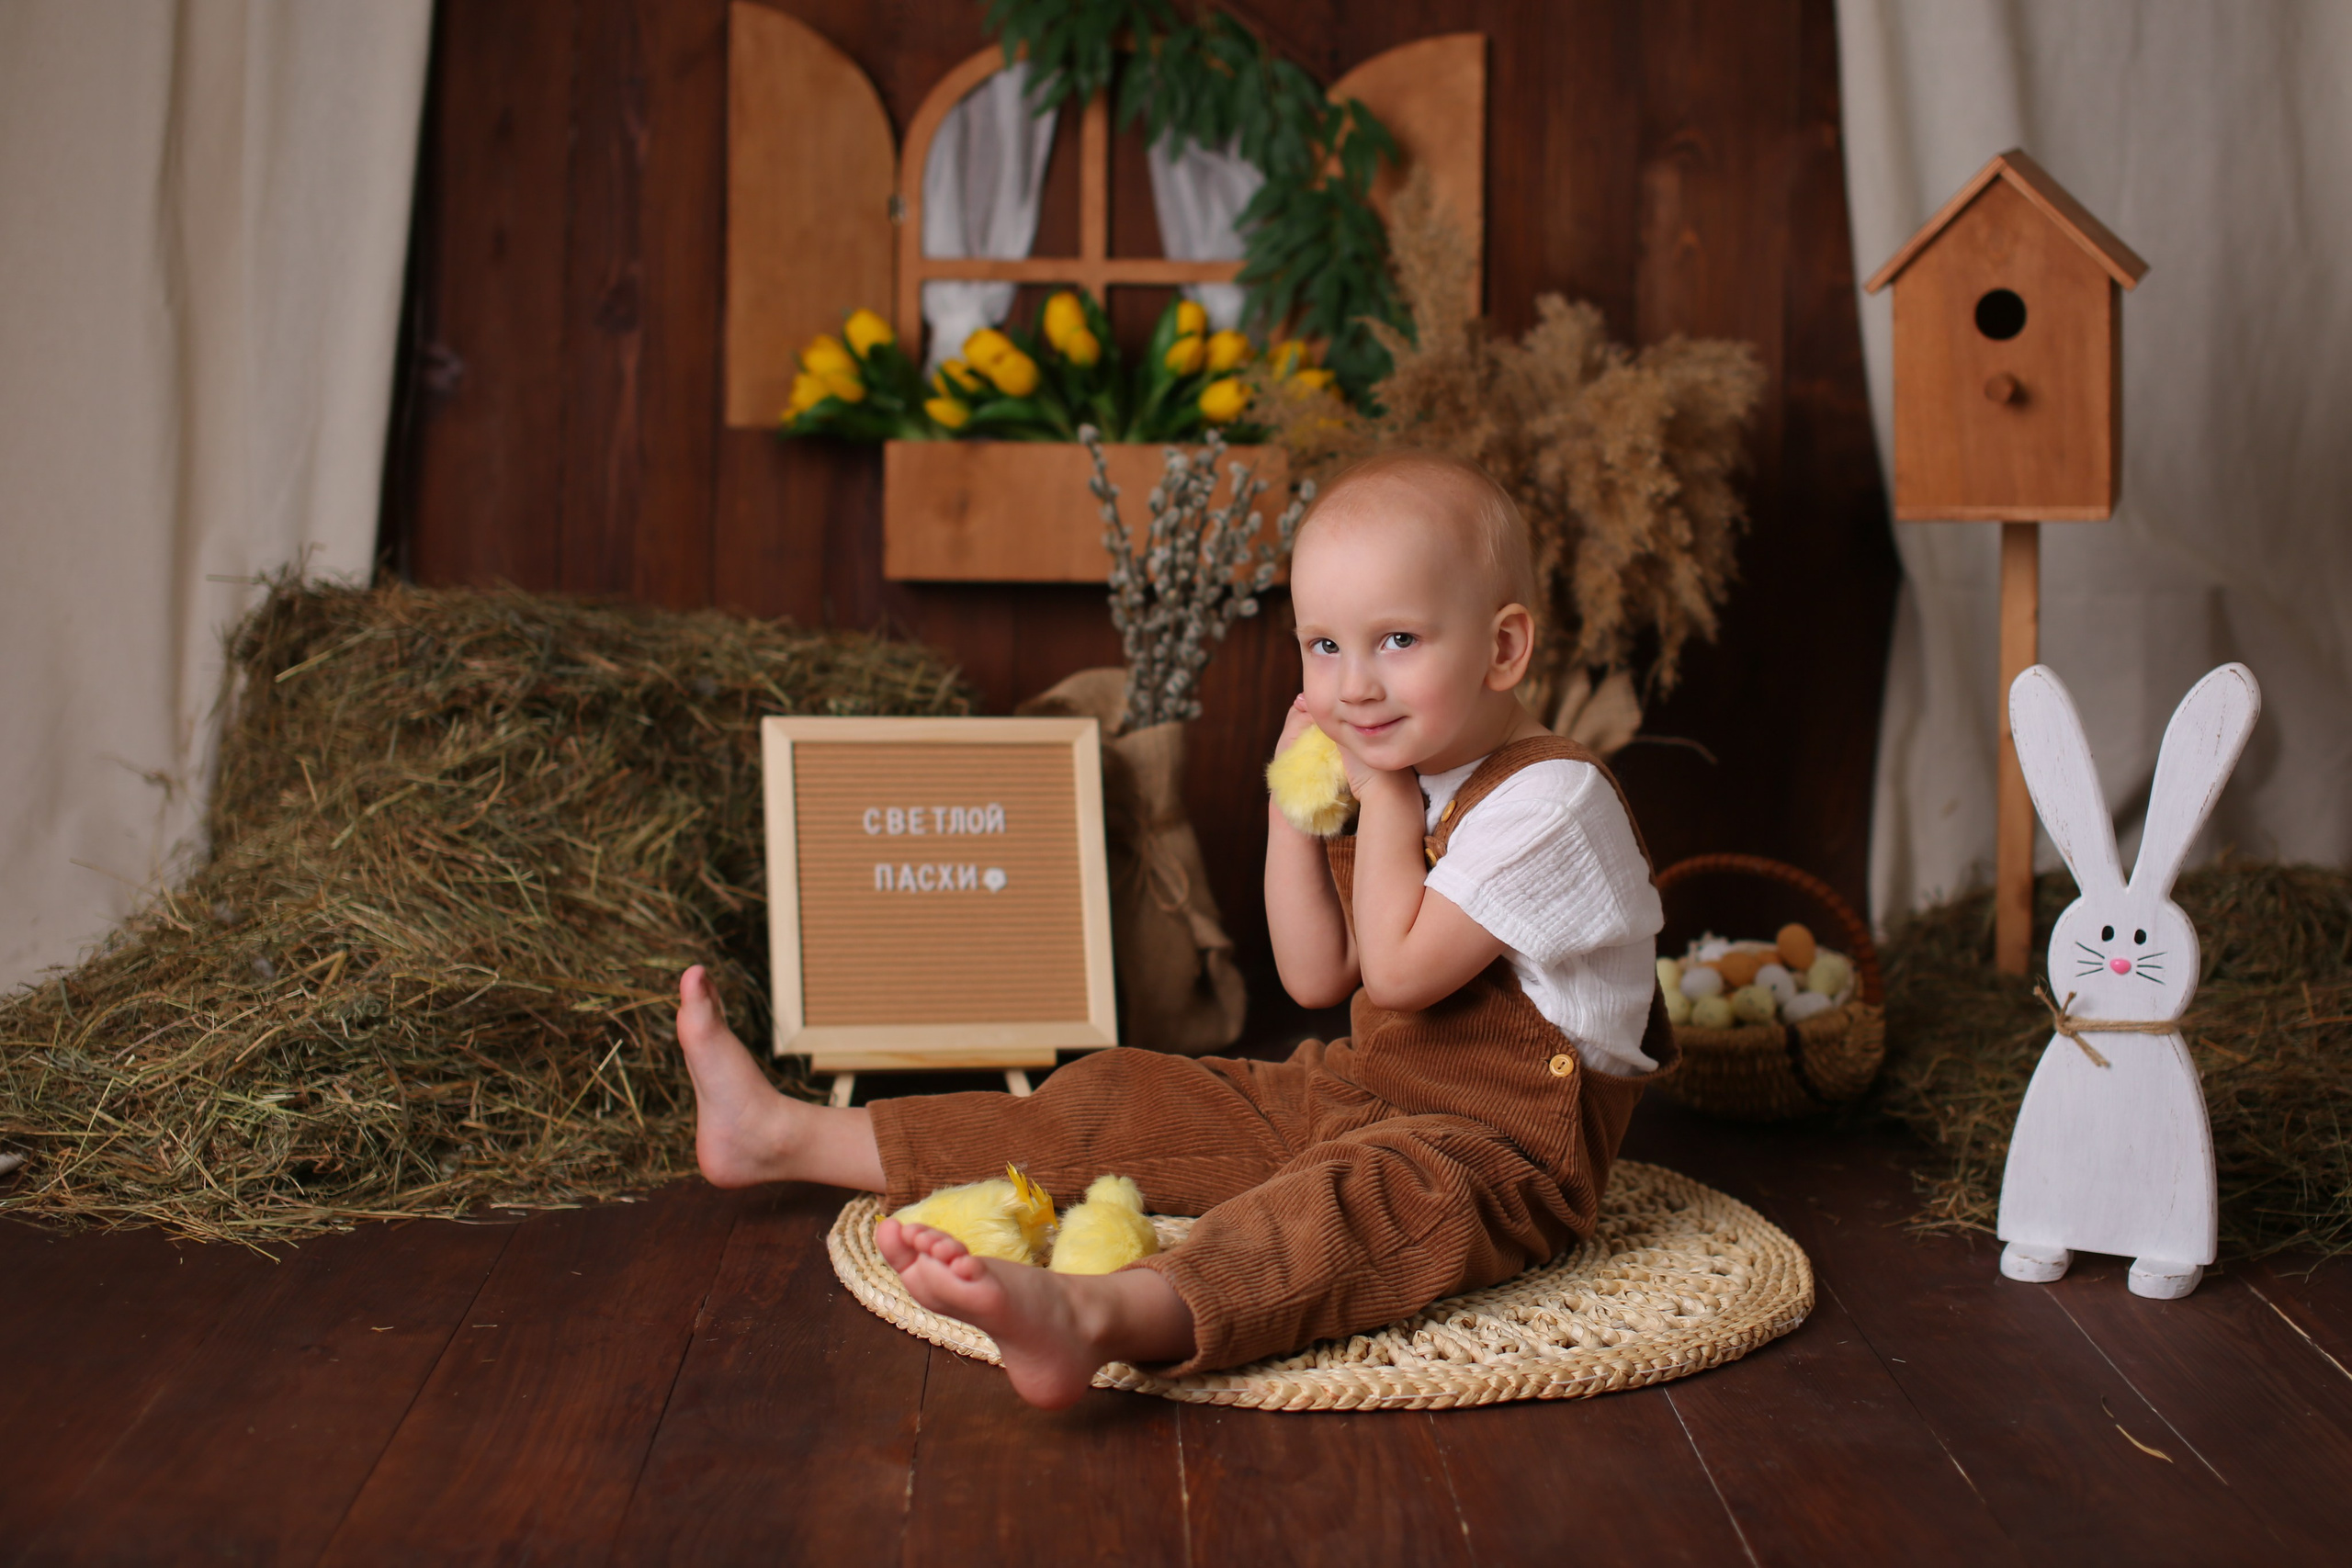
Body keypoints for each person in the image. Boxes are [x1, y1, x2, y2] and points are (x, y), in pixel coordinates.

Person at [675, 449, 1670, 1409]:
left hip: (1503, 1151)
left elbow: (1401, 977)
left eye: (1397, 641)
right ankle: (783, 1135)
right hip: (1371, 1087)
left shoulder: (1551, 802)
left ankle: (1100, 1315)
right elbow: (1317, 976)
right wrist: (1295, 807)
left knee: (1341, 1209)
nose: (1353, 686)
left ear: (1503, 648)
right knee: (1127, 1097)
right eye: (1324, 647)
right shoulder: (1400, 765)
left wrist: (1384, 805)